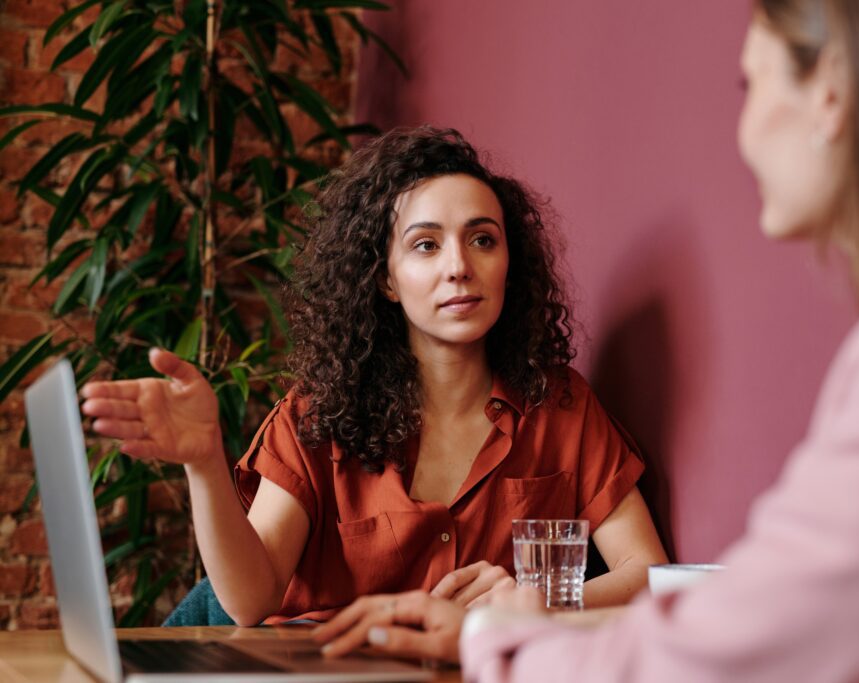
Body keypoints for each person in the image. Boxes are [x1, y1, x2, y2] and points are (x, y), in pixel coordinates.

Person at [309, 1, 859, 680]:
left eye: (751, 82)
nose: (742, 127)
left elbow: (752, 649)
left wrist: (500, 639)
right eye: (425, 245)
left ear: (830, 92)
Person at [81, 127, 668, 626]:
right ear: (386, 280)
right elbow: (250, 601)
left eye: (482, 240)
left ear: (509, 265)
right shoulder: (318, 414)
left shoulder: (559, 405)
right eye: (426, 246)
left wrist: (530, 603)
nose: (459, 267)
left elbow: (650, 574)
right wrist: (204, 459)